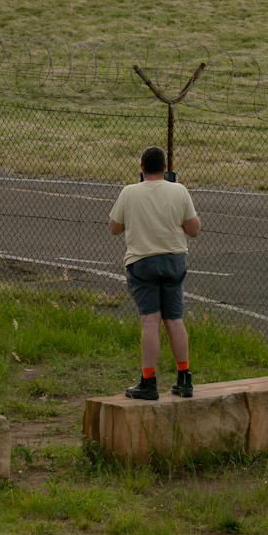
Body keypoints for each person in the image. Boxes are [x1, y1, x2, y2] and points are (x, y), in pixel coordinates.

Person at [109, 146, 201, 401]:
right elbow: (193, 229)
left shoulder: (129, 192)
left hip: (143, 261)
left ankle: (148, 380)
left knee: (150, 320)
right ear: (165, 168)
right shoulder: (179, 190)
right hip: (174, 259)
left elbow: (114, 228)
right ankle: (184, 377)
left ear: (141, 168)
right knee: (174, 319)